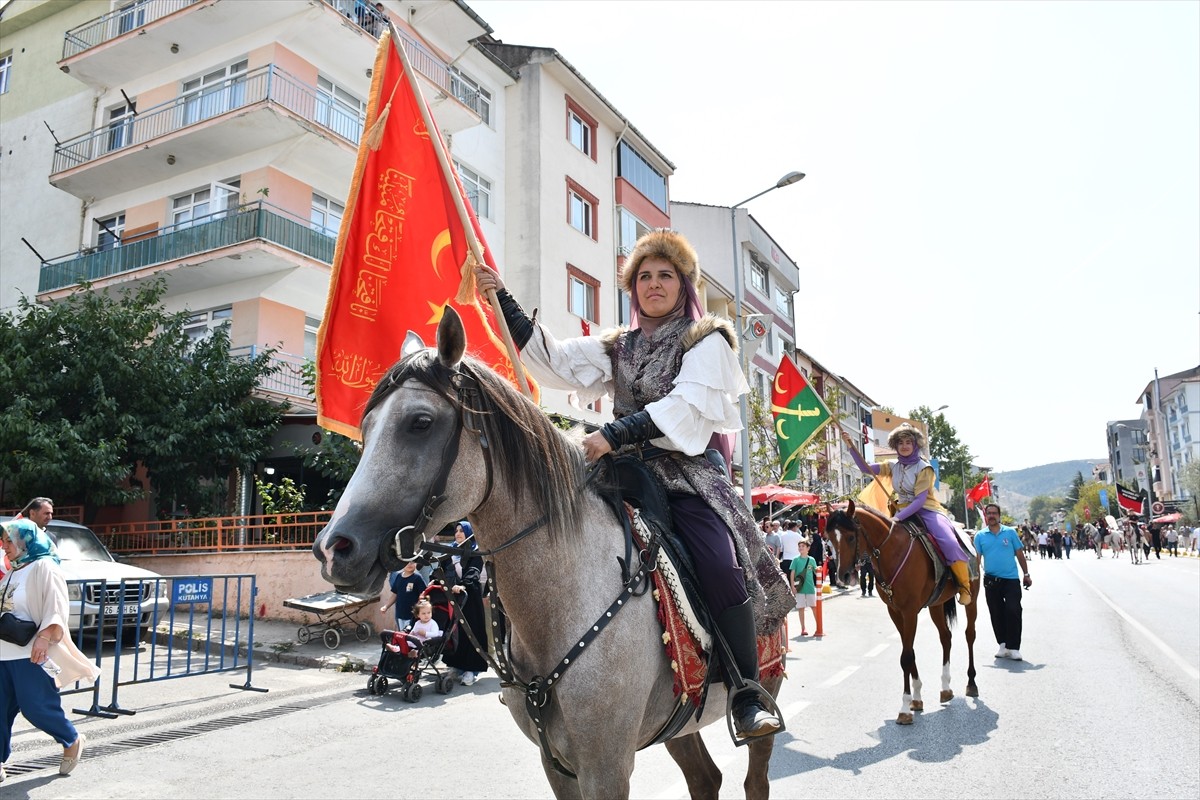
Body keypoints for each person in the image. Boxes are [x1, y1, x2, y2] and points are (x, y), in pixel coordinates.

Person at [475, 229, 792, 739]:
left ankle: (745, 691)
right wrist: (501, 298)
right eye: (644, 276)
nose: (654, 284)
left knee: (716, 559)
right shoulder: (617, 346)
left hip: (682, 474)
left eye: (665, 275)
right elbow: (555, 361)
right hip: (617, 470)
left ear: (683, 283)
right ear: (633, 287)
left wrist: (614, 432)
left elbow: (684, 408)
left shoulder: (707, 338)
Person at [0, 519, 100, 780]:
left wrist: (45, 638)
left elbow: (57, 607)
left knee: (37, 707)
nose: (4, 545)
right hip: (2, 653)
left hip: (30, 653)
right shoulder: (13, 570)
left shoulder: (44, 567)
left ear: (25, 541)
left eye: (9, 540)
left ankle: (71, 738)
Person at [840, 425, 973, 605]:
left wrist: (898, 518)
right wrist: (850, 446)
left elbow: (919, 501)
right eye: (900, 442)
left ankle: (964, 586)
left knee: (948, 540)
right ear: (895, 445)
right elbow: (865, 469)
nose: (904, 446)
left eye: (908, 442)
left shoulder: (924, 467)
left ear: (915, 444)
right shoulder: (892, 465)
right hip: (899, 510)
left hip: (927, 510)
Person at [973, 504, 1032, 661]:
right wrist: (974, 578)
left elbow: (1019, 554)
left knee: (1013, 610)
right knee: (996, 613)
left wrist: (1026, 574)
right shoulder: (980, 536)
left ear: (999, 515)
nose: (991, 516)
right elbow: (977, 559)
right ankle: (1003, 645)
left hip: (1011, 579)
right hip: (991, 581)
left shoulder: (1010, 532)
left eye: (994, 513)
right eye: (989, 513)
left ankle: (1014, 647)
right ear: (986, 516)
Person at [439, 522, 488, 687]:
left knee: (471, 633)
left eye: (462, 531)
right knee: (454, 633)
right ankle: (457, 666)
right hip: (452, 598)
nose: (458, 533)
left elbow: (474, 572)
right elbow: (440, 569)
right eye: (456, 531)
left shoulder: (475, 552)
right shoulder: (451, 551)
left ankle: (471, 670)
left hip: (470, 598)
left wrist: (463, 585)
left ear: (469, 533)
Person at [380, 560, 427, 632]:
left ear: (416, 563)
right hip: (400, 615)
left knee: (410, 636)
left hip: (412, 616)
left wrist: (419, 607)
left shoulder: (417, 578)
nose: (409, 564)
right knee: (402, 635)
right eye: (407, 562)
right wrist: (386, 606)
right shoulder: (399, 577)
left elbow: (424, 593)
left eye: (412, 562)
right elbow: (395, 594)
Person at [791, 539, 818, 637]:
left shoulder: (812, 560)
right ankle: (803, 628)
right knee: (801, 607)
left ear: (808, 548)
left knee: (813, 607)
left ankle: (818, 626)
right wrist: (792, 586)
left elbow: (816, 571)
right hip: (800, 588)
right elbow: (792, 573)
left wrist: (819, 576)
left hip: (810, 587)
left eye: (803, 546)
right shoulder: (795, 560)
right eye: (799, 546)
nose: (801, 548)